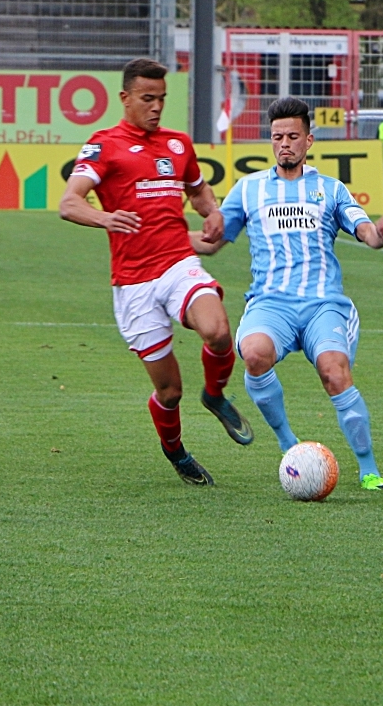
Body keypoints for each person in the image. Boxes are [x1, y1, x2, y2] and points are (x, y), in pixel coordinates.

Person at [59, 58, 252, 487]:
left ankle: (216, 395)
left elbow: (200, 192)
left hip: (178, 263)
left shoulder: (179, 145)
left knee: (219, 331)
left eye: (162, 99)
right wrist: (105, 218)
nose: (156, 107)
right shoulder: (103, 145)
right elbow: (69, 203)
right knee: (169, 391)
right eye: (147, 99)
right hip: (133, 284)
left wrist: (215, 213)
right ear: (125, 98)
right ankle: (176, 452)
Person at [192, 97, 383, 491]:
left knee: (334, 372)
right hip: (271, 304)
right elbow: (213, 242)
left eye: (292, 136)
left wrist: (378, 237)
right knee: (253, 353)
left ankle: (369, 469)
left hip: (323, 304)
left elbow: (364, 230)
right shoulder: (249, 189)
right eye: (276, 137)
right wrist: (165, 240)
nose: (284, 143)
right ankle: (291, 448)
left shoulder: (330, 189)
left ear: (309, 141)